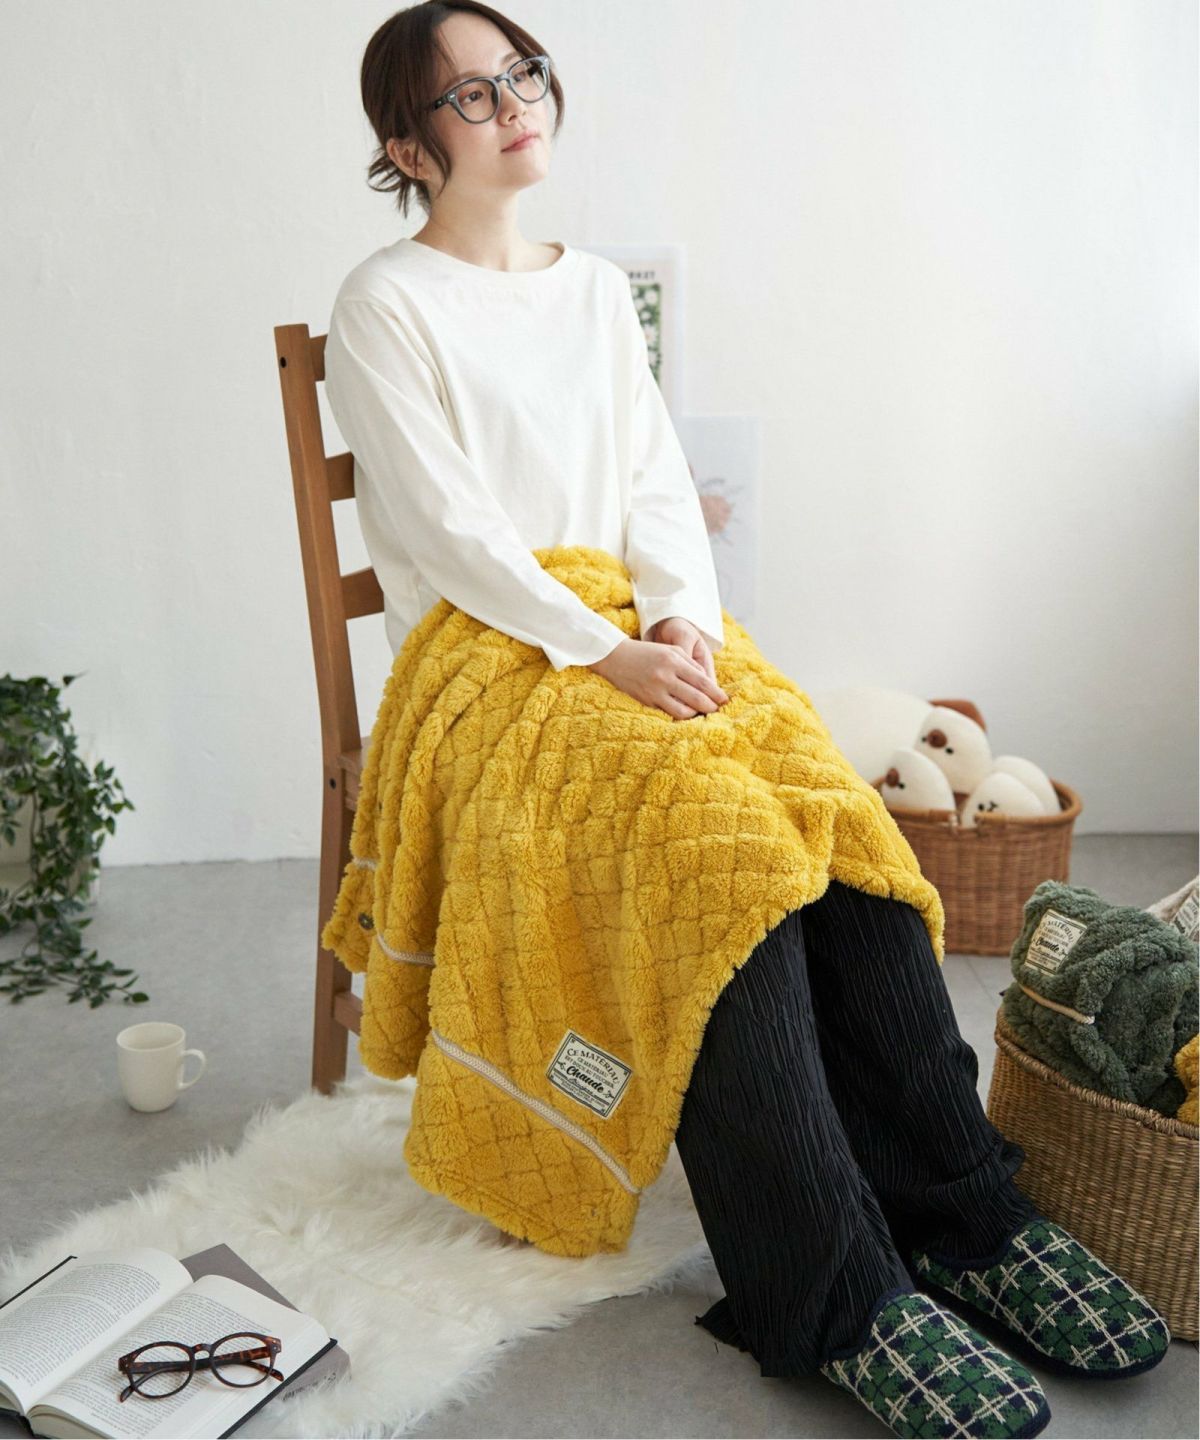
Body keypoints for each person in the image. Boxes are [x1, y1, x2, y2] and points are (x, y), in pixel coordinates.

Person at [323, 6, 1171, 1436]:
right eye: (470, 95)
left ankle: (961, 1214)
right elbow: (452, 533)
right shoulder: (385, 303)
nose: (515, 102)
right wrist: (602, 653)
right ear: (409, 147)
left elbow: (656, 482)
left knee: (834, 825)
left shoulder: (596, 291)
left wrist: (678, 625)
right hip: (488, 664)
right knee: (718, 860)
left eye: (522, 72)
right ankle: (828, 1293)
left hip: (634, 635)